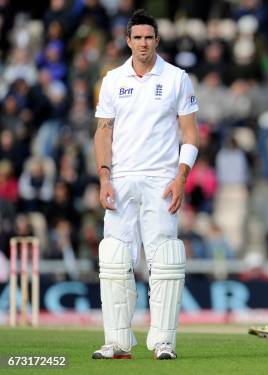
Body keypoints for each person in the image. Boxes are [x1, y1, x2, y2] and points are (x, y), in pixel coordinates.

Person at [92, 10, 199, 360]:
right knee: (113, 258)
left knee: (166, 260)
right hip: (121, 180)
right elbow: (103, 131)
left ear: (157, 40)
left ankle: (163, 342)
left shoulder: (176, 78)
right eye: (137, 38)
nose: (143, 43)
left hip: (161, 180)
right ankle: (119, 342)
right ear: (128, 40)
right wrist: (104, 177)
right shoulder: (112, 79)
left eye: (148, 37)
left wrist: (181, 177)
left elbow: (190, 134)